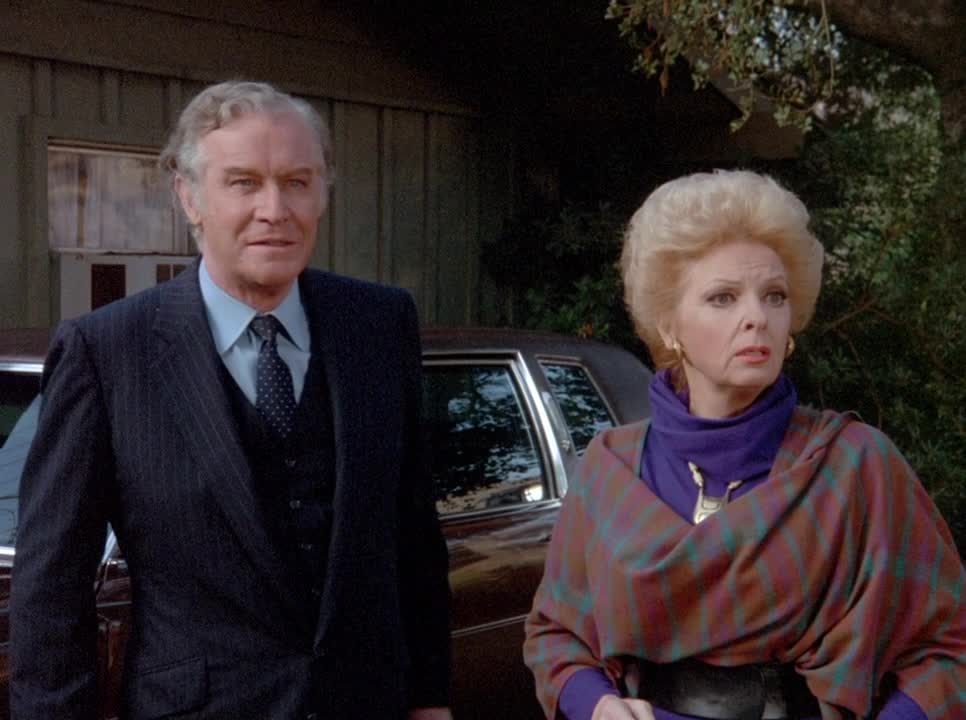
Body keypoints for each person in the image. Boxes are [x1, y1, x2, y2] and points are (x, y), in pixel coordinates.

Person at [10, 80, 452, 720]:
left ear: (323, 193)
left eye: (297, 182)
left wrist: (431, 699)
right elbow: (52, 585)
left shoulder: (379, 324)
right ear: (189, 197)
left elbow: (413, 535)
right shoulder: (108, 352)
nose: (275, 209)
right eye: (243, 183)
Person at [523, 170, 966, 720]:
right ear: (669, 326)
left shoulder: (855, 464)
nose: (757, 317)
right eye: (723, 298)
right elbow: (557, 634)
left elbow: (949, 649)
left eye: (774, 296)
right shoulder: (610, 469)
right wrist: (597, 705)